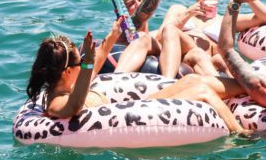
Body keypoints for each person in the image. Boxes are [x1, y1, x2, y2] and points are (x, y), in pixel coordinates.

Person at [25, 24, 244, 132]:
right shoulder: (56, 103)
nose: (82, 67)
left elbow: (92, 70)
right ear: (66, 72)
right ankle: (241, 135)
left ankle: (249, 90)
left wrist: (110, 38)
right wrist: (88, 62)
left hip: (135, 106)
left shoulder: (66, 86)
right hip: (136, 116)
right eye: (78, 64)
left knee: (191, 81)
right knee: (202, 92)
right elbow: (74, 106)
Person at [101, 0, 218, 78]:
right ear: (119, 10)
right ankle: (116, 79)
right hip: (123, 60)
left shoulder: (152, 37)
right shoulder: (122, 34)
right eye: (131, 3)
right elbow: (140, 17)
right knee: (142, 36)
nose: (138, 4)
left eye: (140, 0)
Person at [160, 0, 266, 74]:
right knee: (185, 42)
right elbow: (160, 37)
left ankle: (244, 89)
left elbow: (264, 17)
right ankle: (167, 81)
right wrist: (189, 13)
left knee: (220, 59)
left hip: (210, 64)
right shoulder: (179, 10)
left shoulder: (225, 20)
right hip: (184, 60)